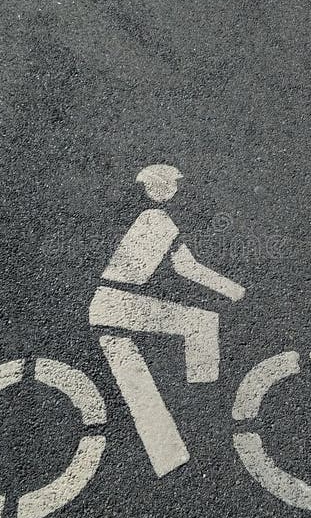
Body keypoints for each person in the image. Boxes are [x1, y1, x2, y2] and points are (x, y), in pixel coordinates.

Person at [89, 164, 244, 383]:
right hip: (119, 304)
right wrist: (232, 290)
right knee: (202, 323)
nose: (174, 188)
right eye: (171, 184)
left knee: (144, 403)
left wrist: (229, 289)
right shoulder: (156, 218)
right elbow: (186, 267)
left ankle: (200, 391)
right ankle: (204, 394)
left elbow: (183, 264)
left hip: (112, 302)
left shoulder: (153, 217)